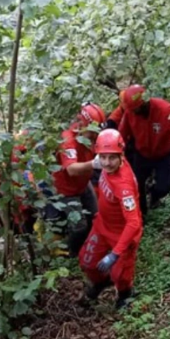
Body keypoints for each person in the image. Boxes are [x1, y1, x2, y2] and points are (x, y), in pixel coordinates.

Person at [104, 85, 170, 217]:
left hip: (163, 155)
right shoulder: (130, 112)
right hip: (142, 155)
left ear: (144, 103)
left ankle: (155, 196)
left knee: (164, 187)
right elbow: (123, 133)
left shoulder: (165, 111)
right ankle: (141, 215)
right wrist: (114, 151)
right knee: (136, 186)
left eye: (136, 110)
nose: (133, 113)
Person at [79, 129, 143, 309]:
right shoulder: (108, 165)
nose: (106, 163)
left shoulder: (124, 186)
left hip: (122, 234)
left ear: (121, 155)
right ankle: (100, 283)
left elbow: (133, 222)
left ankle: (125, 294)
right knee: (87, 261)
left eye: (112, 158)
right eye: (103, 157)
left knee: (120, 275)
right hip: (102, 225)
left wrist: (115, 253)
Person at [44, 102, 106, 257]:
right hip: (66, 191)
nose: (95, 136)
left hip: (83, 184)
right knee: (79, 226)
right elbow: (71, 169)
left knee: (96, 215)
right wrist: (94, 164)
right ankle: (74, 253)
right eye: (92, 132)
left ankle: (91, 247)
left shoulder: (91, 138)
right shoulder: (68, 140)